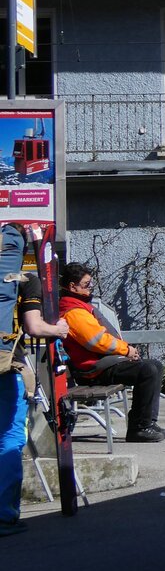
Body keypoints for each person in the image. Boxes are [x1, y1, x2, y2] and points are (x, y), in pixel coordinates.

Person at [1, 225, 69, 537]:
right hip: (6, 364)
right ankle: (4, 515)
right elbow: (34, 326)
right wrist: (59, 329)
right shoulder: (27, 279)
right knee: (10, 438)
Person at [59, 262, 165, 444]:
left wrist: (125, 351)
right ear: (73, 286)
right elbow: (97, 342)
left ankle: (148, 422)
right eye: (86, 285)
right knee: (148, 370)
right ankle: (139, 428)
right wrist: (127, 350)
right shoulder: (74, 312)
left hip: (101, 364)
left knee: (154, 366)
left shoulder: (79, 307)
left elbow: (102, 339)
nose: (90, 288)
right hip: (93, 370)